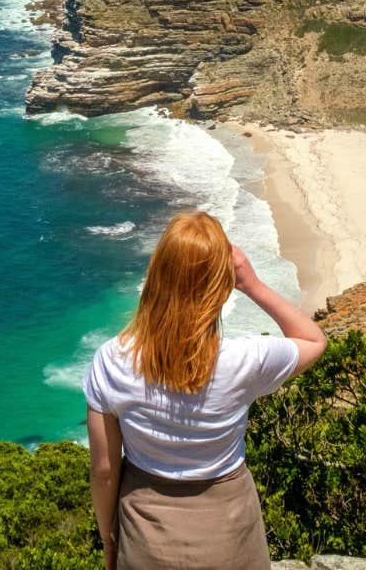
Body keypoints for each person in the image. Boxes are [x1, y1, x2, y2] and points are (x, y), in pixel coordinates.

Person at [84, 211, 327, 570]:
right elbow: (313, 339)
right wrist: (251, 283)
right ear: (221, 285)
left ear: (156, 275)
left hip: (145, 535)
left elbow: (104, 472)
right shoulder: (245, 359)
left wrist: (109, 540)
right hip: (230, 532)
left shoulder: (112, 360)